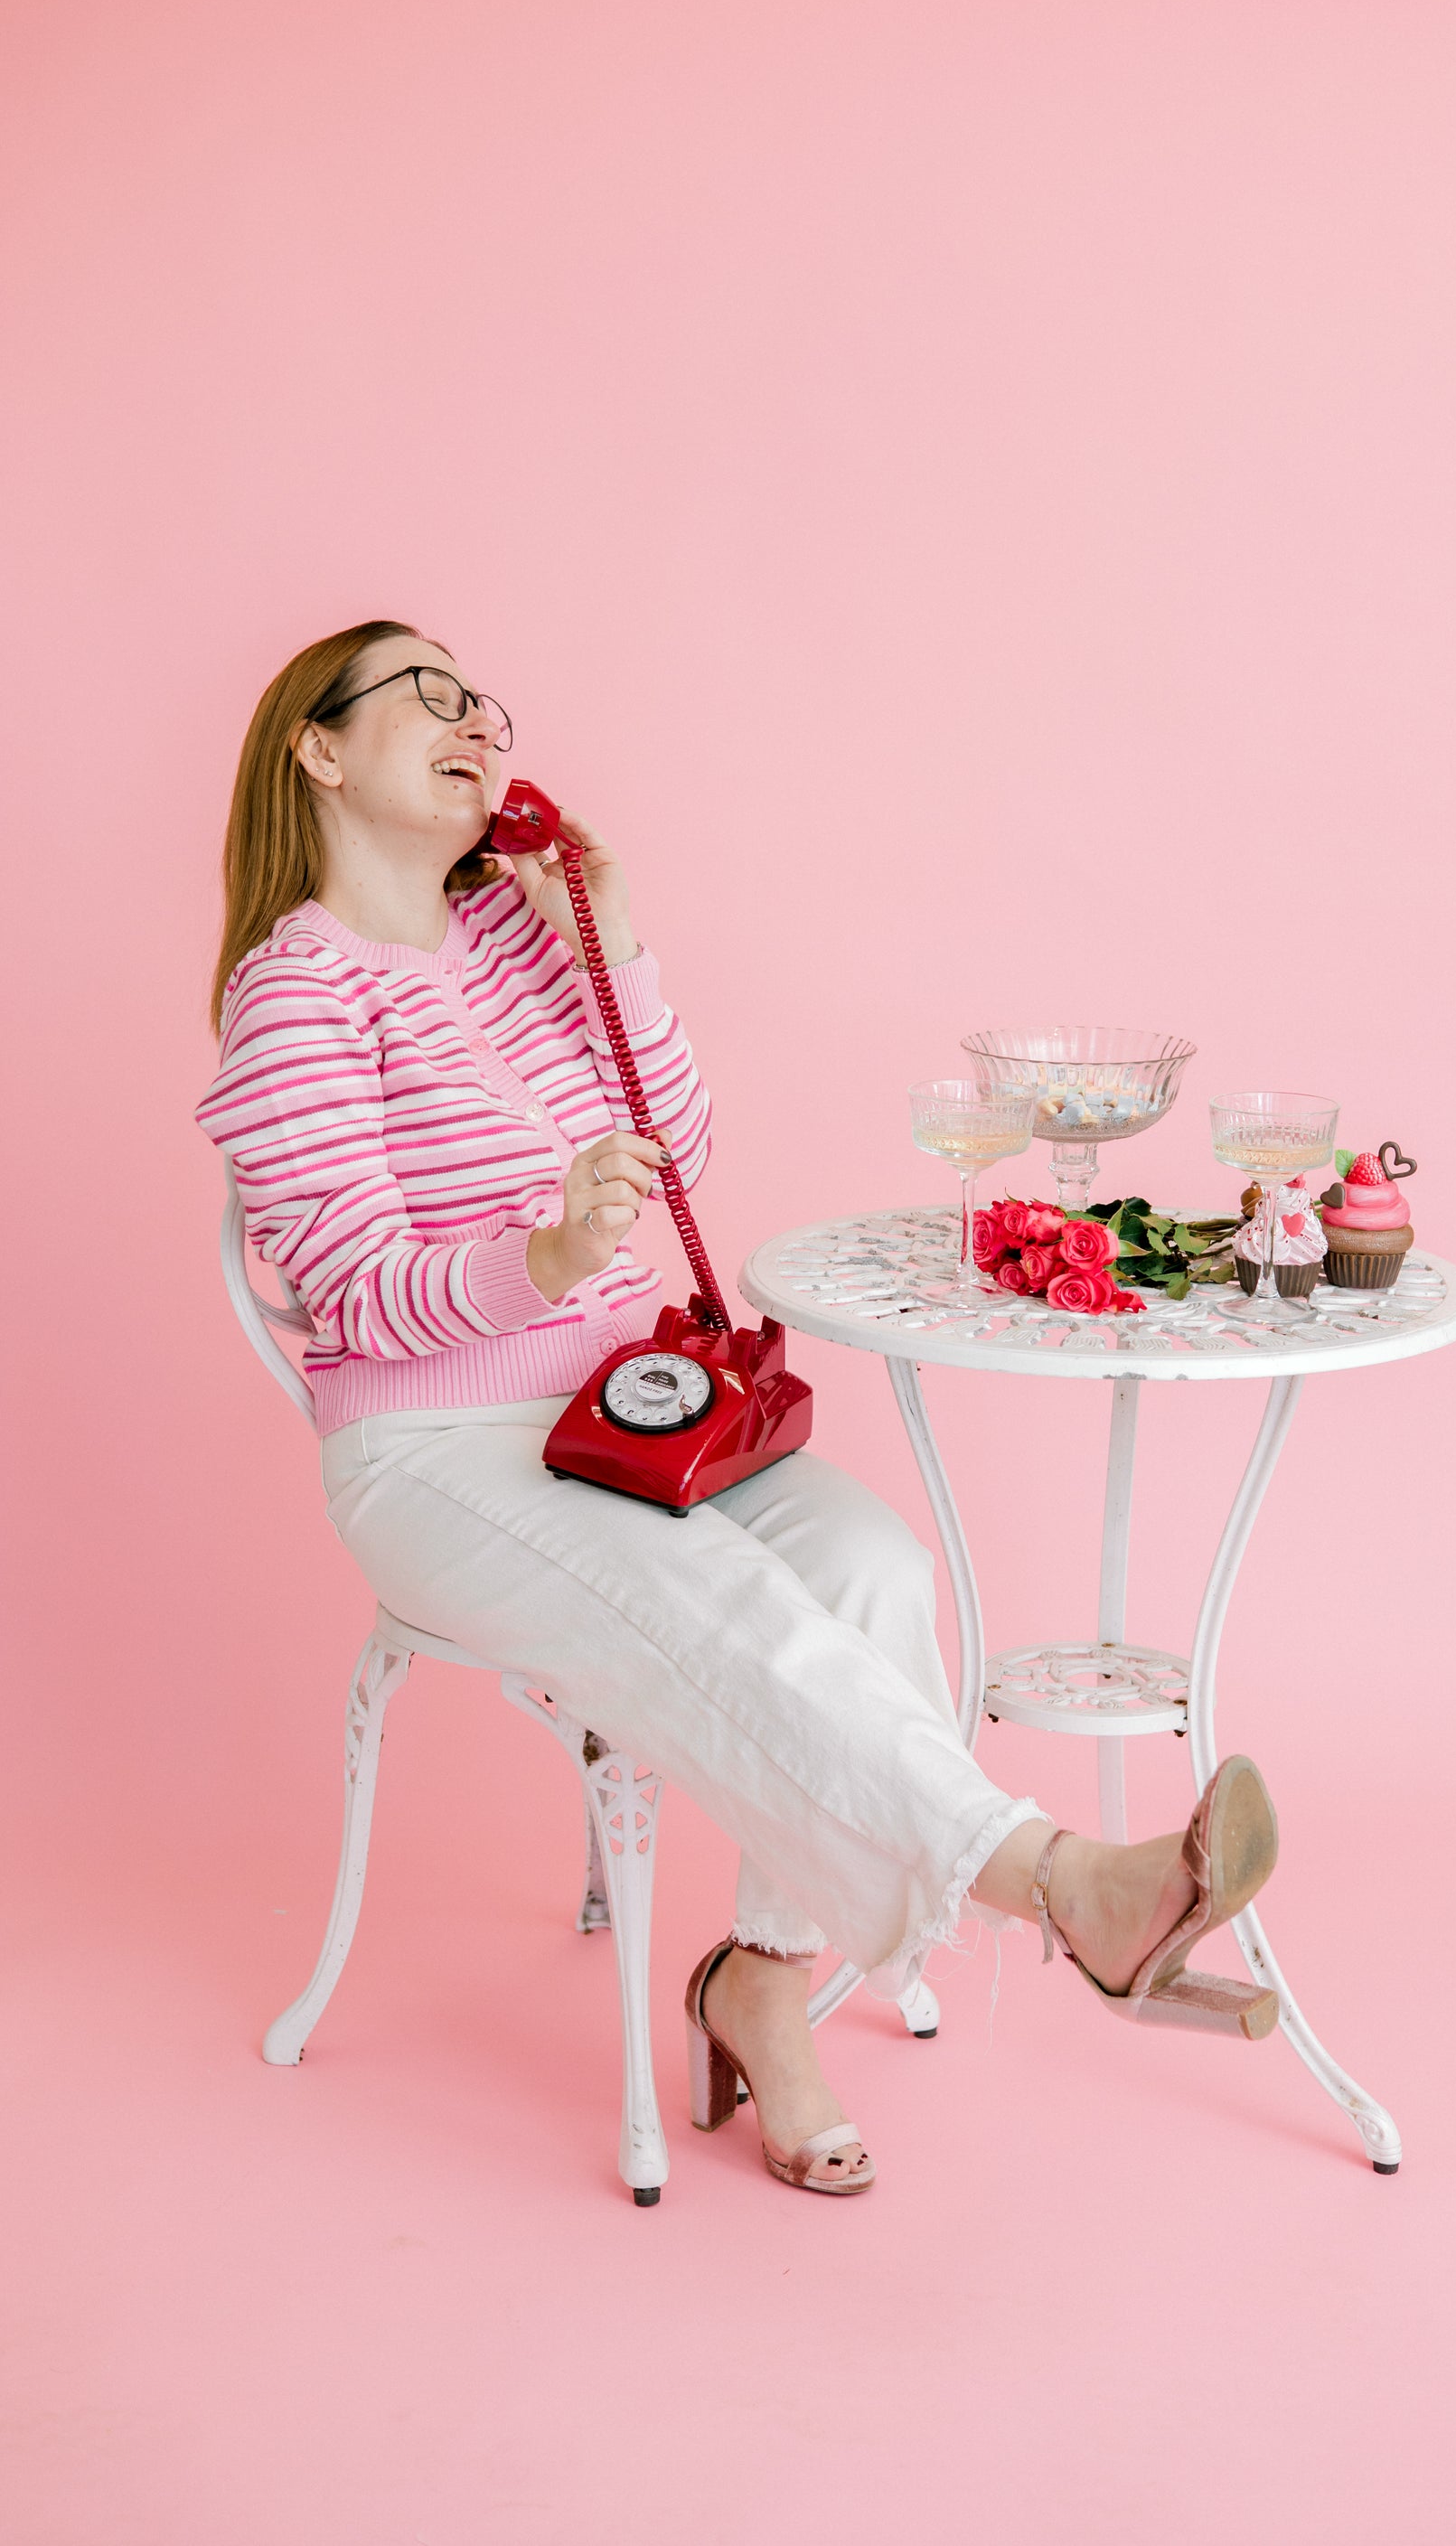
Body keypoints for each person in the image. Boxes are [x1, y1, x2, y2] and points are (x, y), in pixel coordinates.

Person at [199, 620, 1282, 2198]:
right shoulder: (293, 991)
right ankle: (1070, 1886)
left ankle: (763, 1982)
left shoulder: (513, 938)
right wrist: (549, 1253)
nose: (472, 723)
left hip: (623, 1415)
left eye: (481, 703)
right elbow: (358, 1292)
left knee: (872, 1573)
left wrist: (610, 926)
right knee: (708, 1594)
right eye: (423, 697)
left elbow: (679, 1140)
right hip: (431, 1448)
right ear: (318, 745)